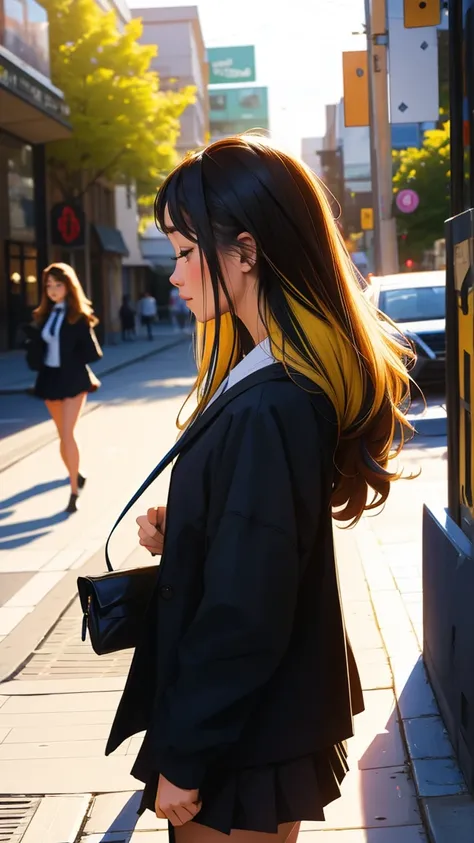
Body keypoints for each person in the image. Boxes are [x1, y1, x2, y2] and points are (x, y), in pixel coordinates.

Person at [106, 136, 414, 842]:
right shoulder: (272, 378)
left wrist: (184, 755)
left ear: (246, 251)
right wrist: (186, 523)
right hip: (260, 722)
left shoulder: (270, 401)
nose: (175, 276)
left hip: (238, 737)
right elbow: (267, 546)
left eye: (186, 252)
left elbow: (248, 605)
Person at [33, 262, 102, 513]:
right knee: (62, 436)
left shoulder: (78, 317)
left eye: (58, 284)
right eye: (49, 285)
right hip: (50, 378)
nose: (52, 290)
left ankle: (74, 491)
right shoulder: (44, 315)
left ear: (68, 286)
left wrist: (76, 344)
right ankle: (77, 473)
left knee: (68, 433)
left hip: (73, 379)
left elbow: (93, 353)